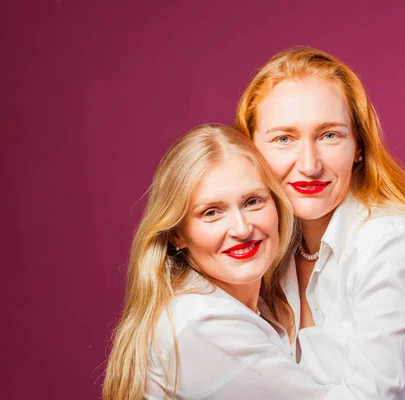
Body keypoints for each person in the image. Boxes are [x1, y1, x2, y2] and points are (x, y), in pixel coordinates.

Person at [234, 47, 405, 399]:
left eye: (329, 135)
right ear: (251, 152)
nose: (308, 164)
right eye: (283, 138)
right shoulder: (270, 248)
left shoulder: (392, 242)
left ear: (359, 148)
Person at [103, 124, 332, 399]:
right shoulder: (203, 324)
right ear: (178, 234)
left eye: (253, 202)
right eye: (211, 212)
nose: (241, 228)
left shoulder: (253, 306)